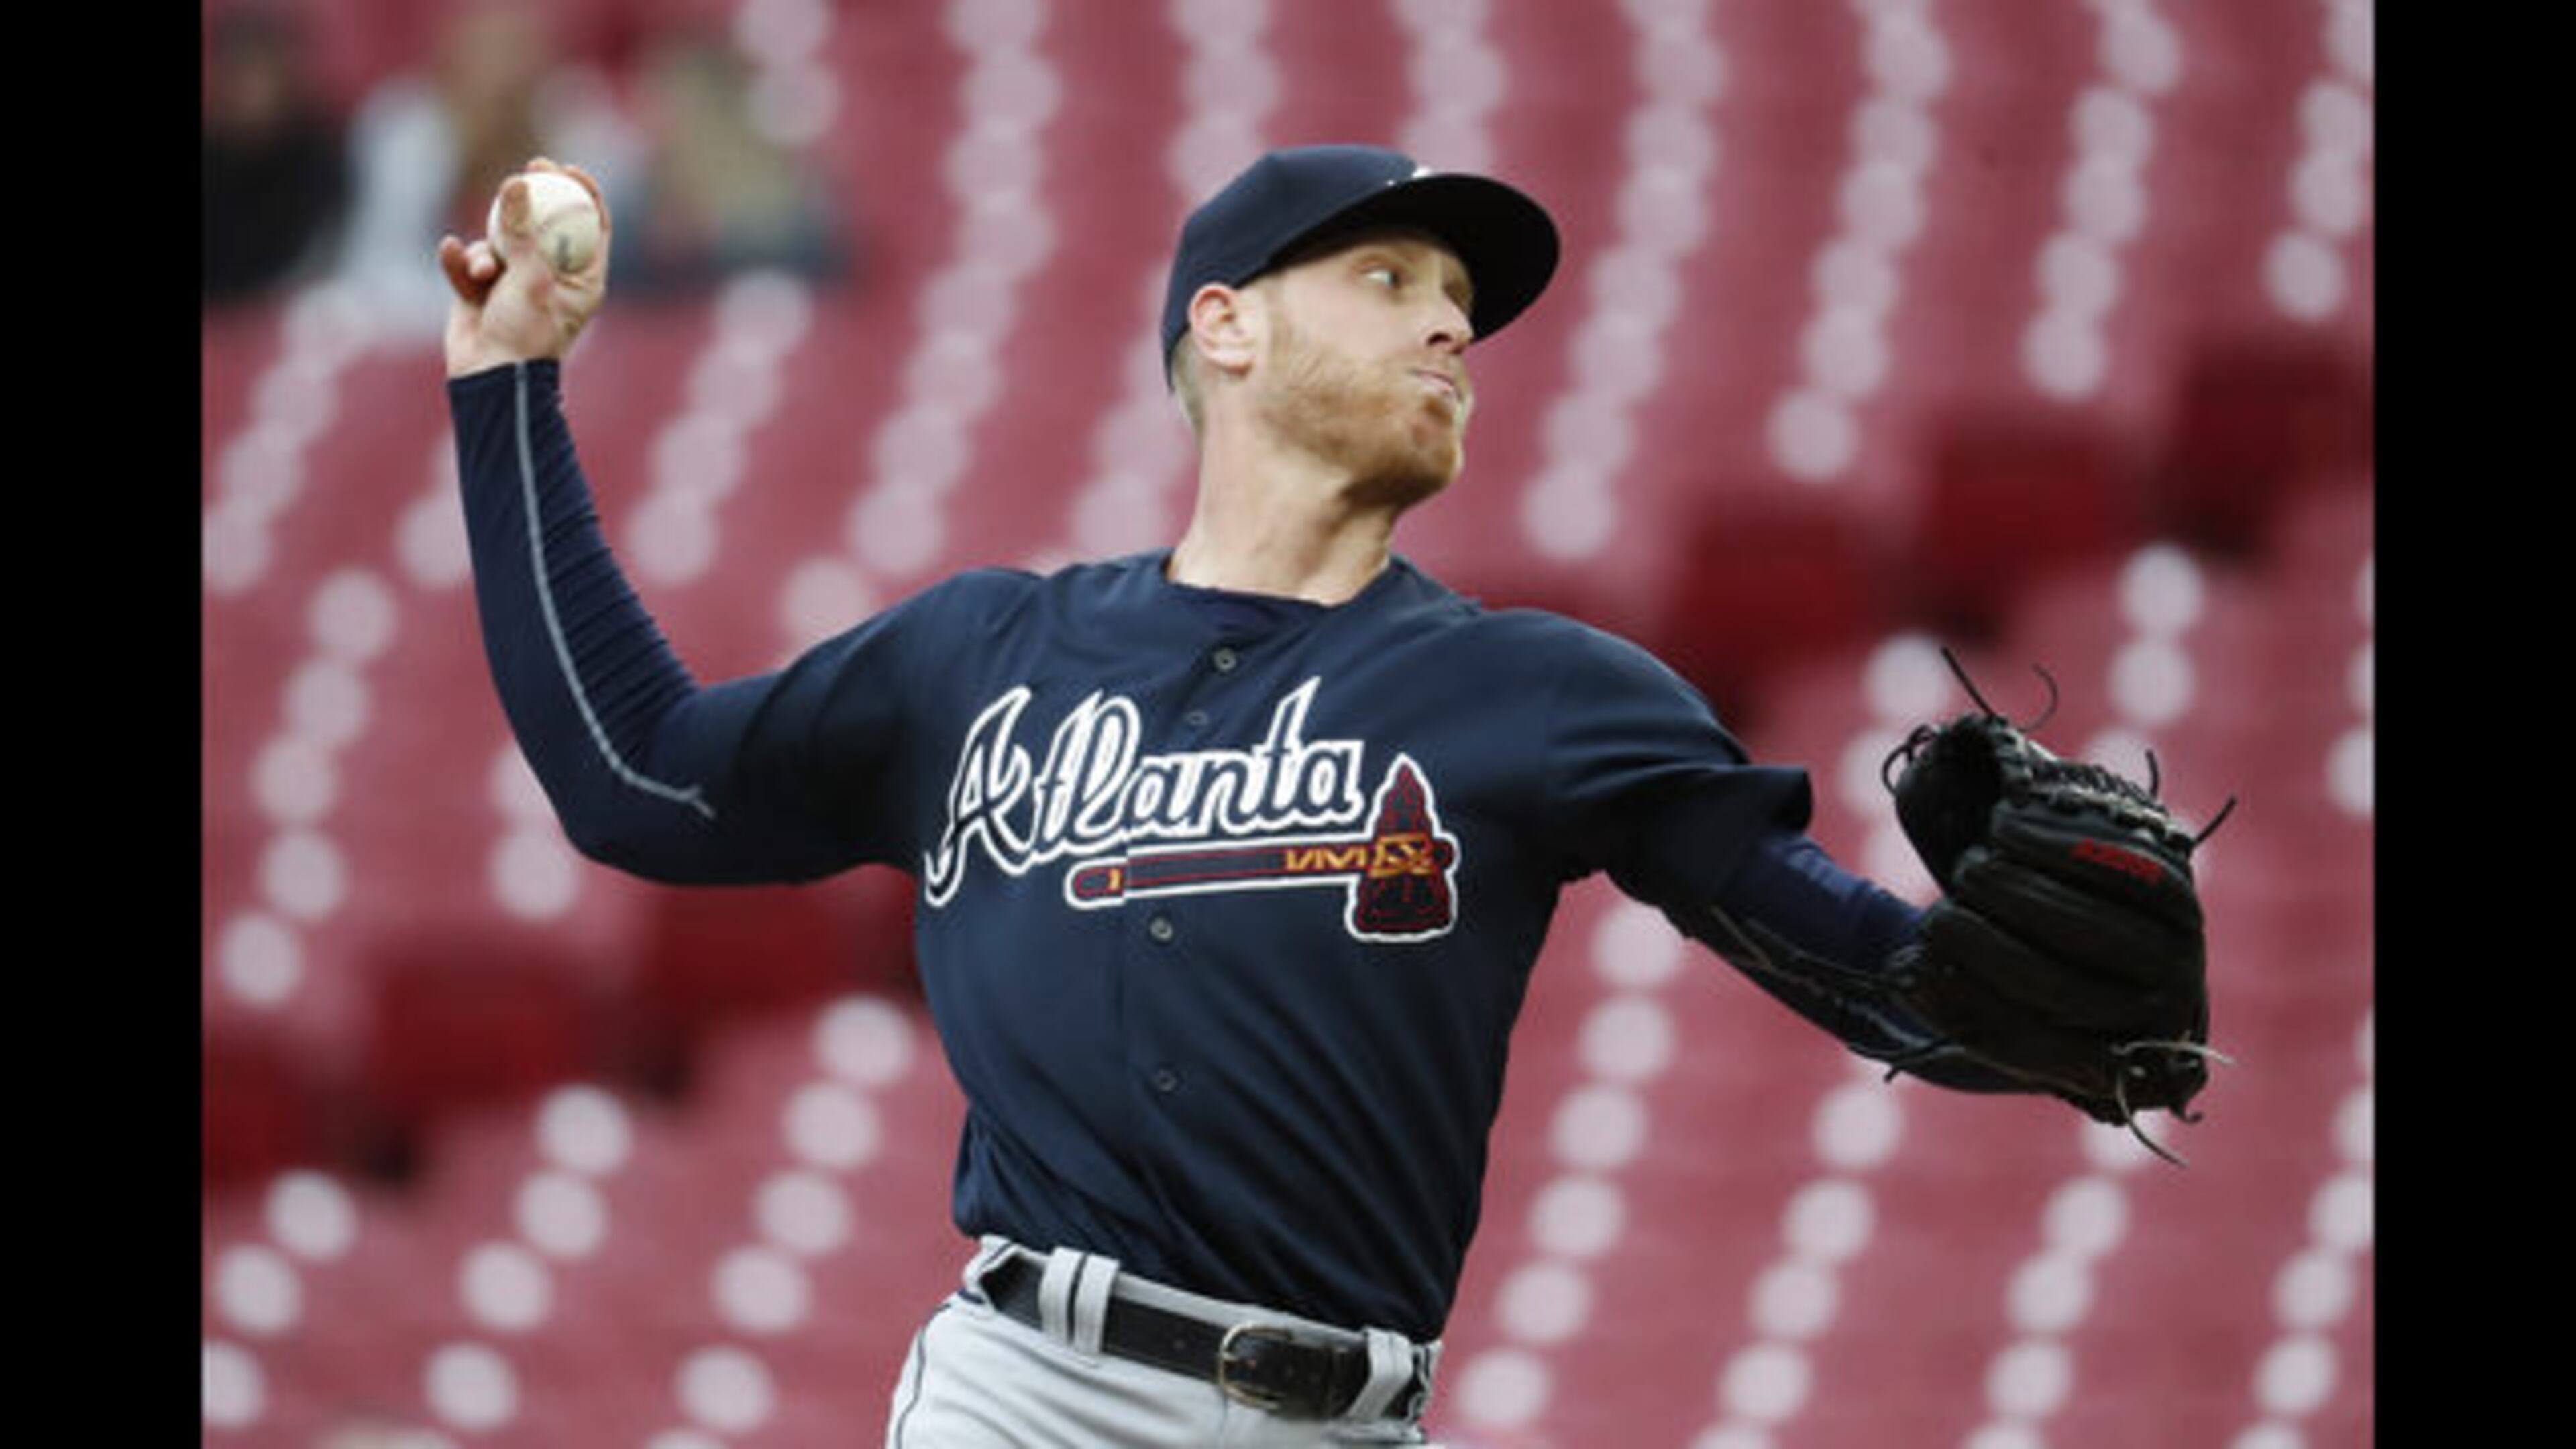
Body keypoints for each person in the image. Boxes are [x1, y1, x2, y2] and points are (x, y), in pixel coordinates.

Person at [439, 148, 2065, 1447]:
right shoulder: (983, 656)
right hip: (1029, 1398)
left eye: (1459, 306)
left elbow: (1879, 977)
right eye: (1388, 280)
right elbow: (636, 776)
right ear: (1225, 326)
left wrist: (2060, 1001)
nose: (1449, 327)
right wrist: (509, 388)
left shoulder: (1547, 695)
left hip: (1345, 1419)